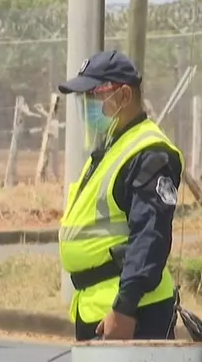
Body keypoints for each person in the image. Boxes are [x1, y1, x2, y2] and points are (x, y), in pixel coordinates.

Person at [57, 50, 184, 341]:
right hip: (98, 306)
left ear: (124, 95)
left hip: (133, 312)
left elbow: (150, 234)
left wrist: (125, 306)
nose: (89, 107)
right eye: (84, 99)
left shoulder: (149, 152)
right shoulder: (111, 148)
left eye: (94, 97)